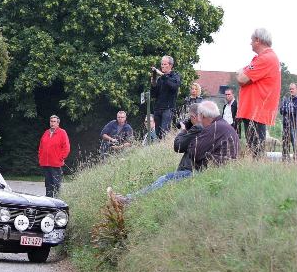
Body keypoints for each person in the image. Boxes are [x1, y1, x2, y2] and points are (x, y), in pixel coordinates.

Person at [109, 102, 238, 203]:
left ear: (203, 116)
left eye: (199, 117)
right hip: (220, 172)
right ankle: (129, 199)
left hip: (207, 173)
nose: (199, 121)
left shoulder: (213, 128)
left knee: (165, 179)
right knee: (166, 179)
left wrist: (186, 134)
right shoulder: (224, 126)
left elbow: (194, 153)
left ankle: (129, 200)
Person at [236, 28, 281, 158]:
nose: (250, 43)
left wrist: (241, 71)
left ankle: (257, 168)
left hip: (255, 110)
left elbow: (241, 79)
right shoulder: (266, 58)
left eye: (251, 40)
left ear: (258, 40)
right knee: (254, 149)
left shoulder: (265, 59)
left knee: (255, 151)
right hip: (255, 110)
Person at [38, 115, 70, 197]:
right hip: (45, 163)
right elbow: (41, 146)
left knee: (56, 184)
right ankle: (48, 200)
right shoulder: (46, 132)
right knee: (48, 184)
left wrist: (61, 158)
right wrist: (40, 157)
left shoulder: (62, 132)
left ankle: (56, 200)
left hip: (56, 163)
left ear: (58, 123)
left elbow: (66, 147)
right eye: (51, 121)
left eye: (54, 121)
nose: (52, 123)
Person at [150, 55, 181, 139]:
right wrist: (153, 84)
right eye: (161, 64)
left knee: (164, 132)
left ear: (170, 65)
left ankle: (165, 145)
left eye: (164, 64)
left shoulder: (175, 76)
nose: (162, 66)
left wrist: (162, 75)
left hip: (168, 109)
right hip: (158, 108)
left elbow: (174, 86)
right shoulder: (160, 79)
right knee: (158, 133)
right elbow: (154, 95)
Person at [280, 83, 297, 161]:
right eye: (290, 89)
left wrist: (287, 108)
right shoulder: (286, 100)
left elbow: (296, 110)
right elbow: (281, 111)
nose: (291, 90)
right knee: (285, 146)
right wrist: (289, 108)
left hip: (295, 127)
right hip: (286, 126)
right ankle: (285, 162)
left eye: (292, 89)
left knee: (295, 145)